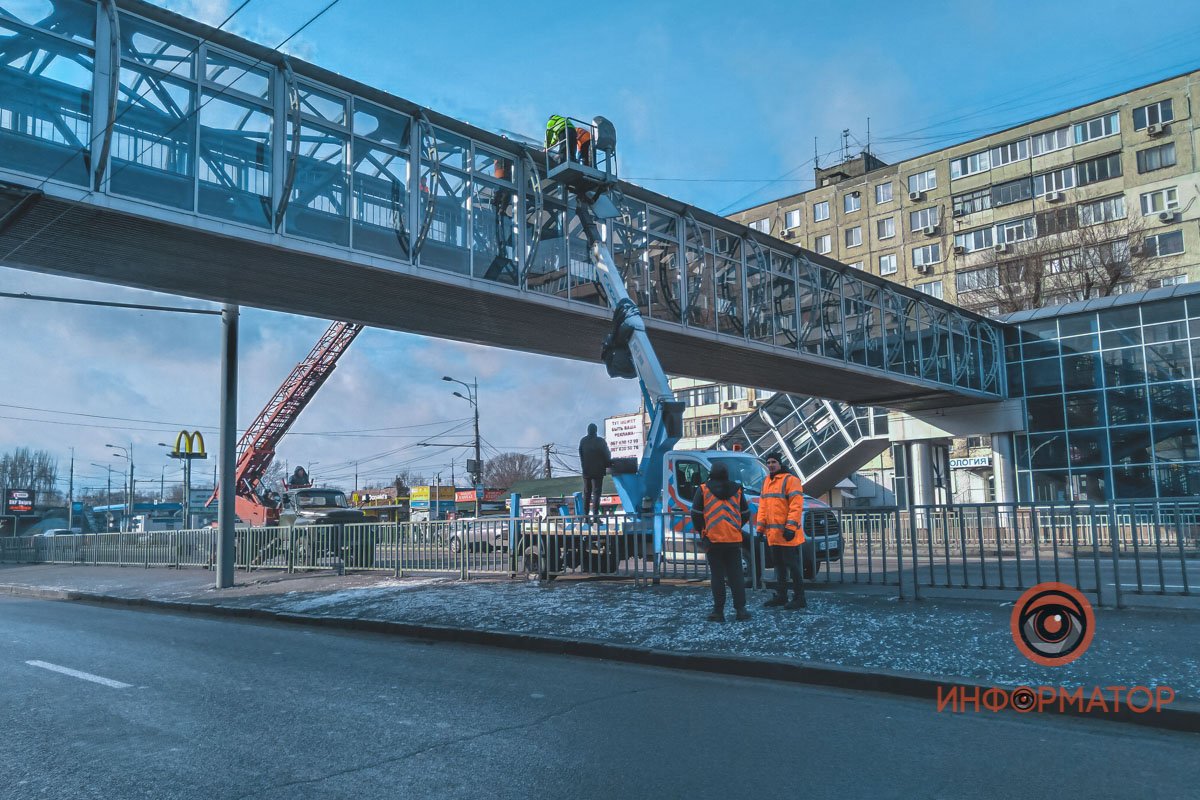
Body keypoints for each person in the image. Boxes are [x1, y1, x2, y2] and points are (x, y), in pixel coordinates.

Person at [691, 462, 751, 622]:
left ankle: (718, 612)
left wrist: (702, 531)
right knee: (736, 575)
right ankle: (741, 610)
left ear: (711, 473)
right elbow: (745, 513)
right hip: (733, 539)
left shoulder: (703, 489)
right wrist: (736, 526)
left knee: (717, 576)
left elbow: (696, 514)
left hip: (713, 539)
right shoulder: (737, 489)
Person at [756, 451, 807, 610]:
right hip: (774, 534)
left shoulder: (791, 480)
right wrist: (760, 528)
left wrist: (790, 527)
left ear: (780, 463)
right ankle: (782, 595)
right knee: (779, 565)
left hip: (786, 533)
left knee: (793, 566)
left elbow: (796, 505)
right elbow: (763, 506)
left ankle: (799, 598)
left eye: (773, 462)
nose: (771, 465)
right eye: (769, 462)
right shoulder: (767, 481)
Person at [578, 423, 611, 519]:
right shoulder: (600, 441)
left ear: (588, 431)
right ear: (596, 431)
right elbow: (606, 454)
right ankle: (595, 516)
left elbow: (581, 454)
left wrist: (584, 465)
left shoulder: (583, 441)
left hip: (586, 471)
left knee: (587, 493)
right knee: (596, 494)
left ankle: (586, 516)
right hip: (598, 470)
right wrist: (607, 464)